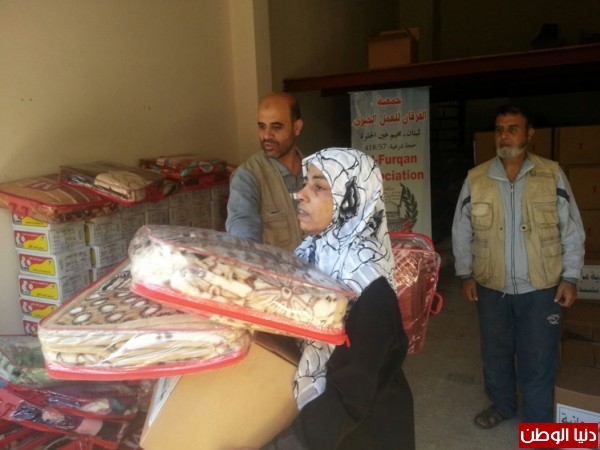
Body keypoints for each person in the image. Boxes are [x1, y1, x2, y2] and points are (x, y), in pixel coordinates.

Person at [259, 148, 415, 450]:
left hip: (362, 433)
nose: (300, 195)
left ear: (351, 199)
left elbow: (349, 394)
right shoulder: (313, 253)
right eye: (305, 183)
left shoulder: (369, 286)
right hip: (321, 420)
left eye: (318, 187)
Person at [451, 104, 586, 427]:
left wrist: (570, 277)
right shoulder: (477, 178)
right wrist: (465, 274)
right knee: (494, 353)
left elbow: (571, 230)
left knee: (538, 357)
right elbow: (461, 231)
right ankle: (502, 405)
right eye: (499, 129)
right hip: (491, 286)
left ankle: (538, 423)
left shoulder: (551, 174)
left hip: (541, 288)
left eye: (513, 129)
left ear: (529, 134)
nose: (504, 136)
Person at [226, 91, 305, 252]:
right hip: (275, 268)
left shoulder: (318, 172)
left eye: (276, 127)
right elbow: (242, 229)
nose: (266, 135)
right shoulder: (247, 177)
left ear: (296, 127)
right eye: (262, 126)